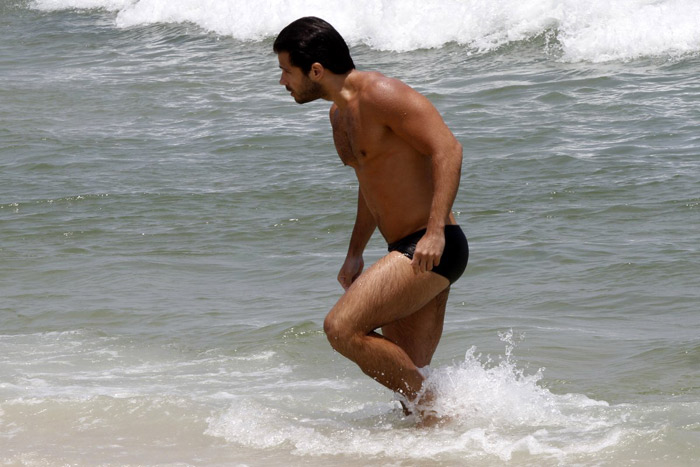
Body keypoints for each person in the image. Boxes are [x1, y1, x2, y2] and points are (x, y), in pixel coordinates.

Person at [273, 17, 468, 421]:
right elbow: (370, 184)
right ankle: (439, 440)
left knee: (341, 328)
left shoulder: (382, 93)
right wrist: (354, 254)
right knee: (407, 380)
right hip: (402, 249)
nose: (281, 82)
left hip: (431, 247)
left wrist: (435, 232)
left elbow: (448, 149)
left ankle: (439, 411)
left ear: (315, 70)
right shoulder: (338, 117)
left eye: (285, 71)